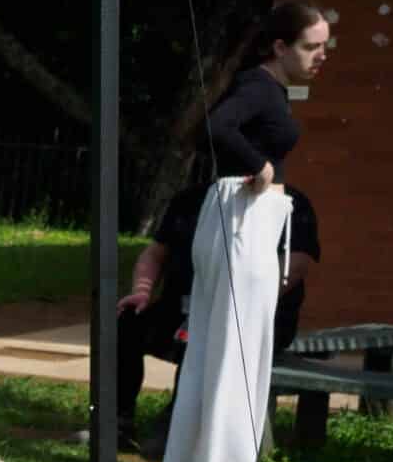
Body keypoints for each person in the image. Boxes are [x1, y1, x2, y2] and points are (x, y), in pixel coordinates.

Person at [157, 1, 330, 462]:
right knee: (241, 345)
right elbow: (216, 128)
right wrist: (262, 165)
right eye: (311, 46)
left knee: (216, 344)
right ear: (280, 47)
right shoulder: (259, 86)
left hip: (233, 216)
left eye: (324, 47)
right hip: (243, 219)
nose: (321, 56)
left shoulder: (265, 87)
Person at [116, 183, 319, 446]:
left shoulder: (291, 203)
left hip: (249, 317)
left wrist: (238, 303)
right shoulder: (190, 198)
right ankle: (117, 422)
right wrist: (141, 291)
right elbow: (154, 253)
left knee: (200, 335)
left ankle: (178, 428)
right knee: (127, 320)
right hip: (182, 308)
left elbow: (296, 265)